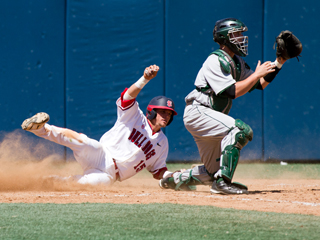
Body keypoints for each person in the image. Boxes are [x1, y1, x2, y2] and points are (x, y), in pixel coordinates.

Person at [159, 18, 287, 195]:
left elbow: (259, 84)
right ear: (225, 38)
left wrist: (279, 62)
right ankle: (223, 182)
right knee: (240, 131)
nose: (242, 38)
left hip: (208, 114)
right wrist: (256, 74)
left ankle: (174, 180)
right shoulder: (215, 60)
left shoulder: (237, 62)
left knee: (212, 173)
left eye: (241, 34)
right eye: (237, 34)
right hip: (198, 112)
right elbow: (231, 91)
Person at [21, 65, 177, 186]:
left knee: (86, 185)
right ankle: (41, 128)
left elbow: (158, 170)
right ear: (151, 112)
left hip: (110, 176)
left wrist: (172, 176)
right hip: (102, 155)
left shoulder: (162, 143)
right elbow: (127, 97)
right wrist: (144, 79)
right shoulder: (135, 116)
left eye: (169, 114)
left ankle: (45, 181)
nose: (166, 116)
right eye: (163, 112)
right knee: (82, 141)